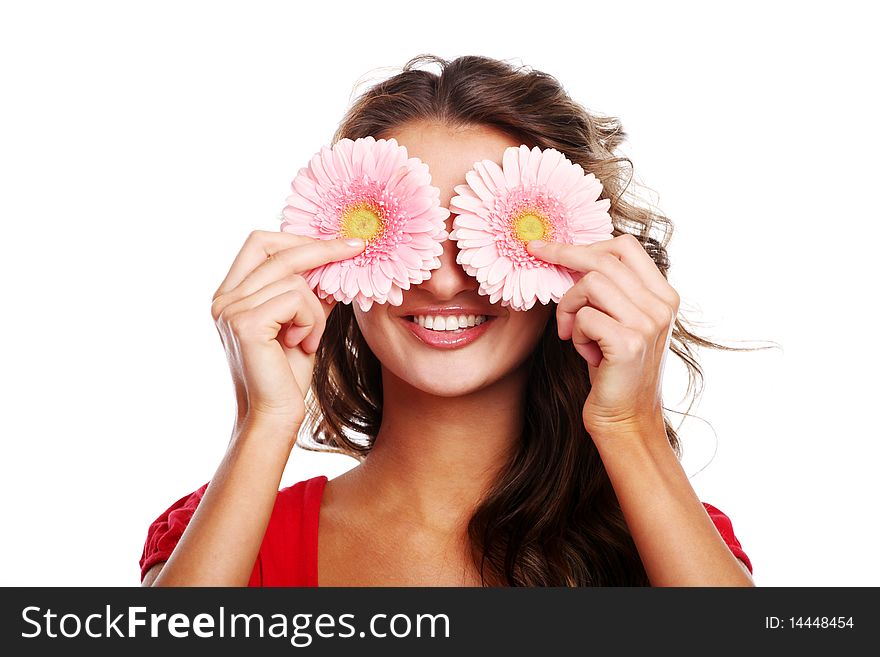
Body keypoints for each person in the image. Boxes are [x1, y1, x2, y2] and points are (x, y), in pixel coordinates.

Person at [140, 54, 755, 587]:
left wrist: (632, 427)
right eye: (410, 230)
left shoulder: (666, 538)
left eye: (488, 233)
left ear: (576, 261)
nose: (443, 279)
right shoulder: (225, 537)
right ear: (333, 253)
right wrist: (263, 422)